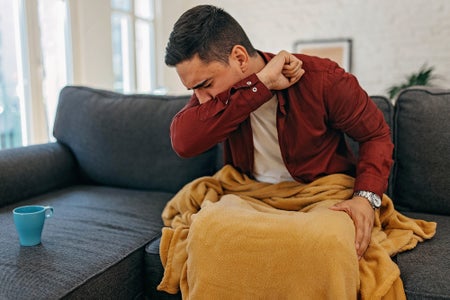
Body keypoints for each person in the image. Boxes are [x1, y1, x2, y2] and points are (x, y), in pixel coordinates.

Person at [164, 4, 394, 297]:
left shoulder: (323, 78)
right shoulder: (215, 99)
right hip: (250, 193)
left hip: (321, 193)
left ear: (239, 57)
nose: (201, 99)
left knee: (330, 242)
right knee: (206, 231)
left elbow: (376, 135)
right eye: (193, 91)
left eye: (205, 85)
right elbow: (184, 142)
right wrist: (261, 85)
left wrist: (365, 198)